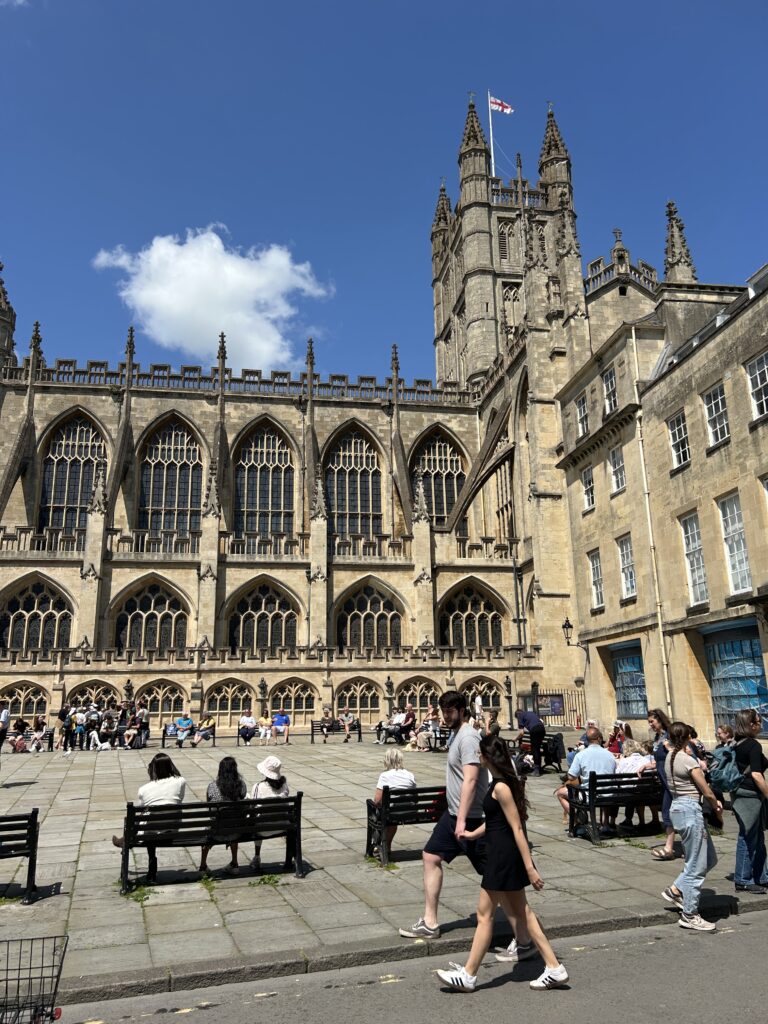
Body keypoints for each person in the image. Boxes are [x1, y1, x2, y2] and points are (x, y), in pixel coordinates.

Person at [436, 735, 568, 992]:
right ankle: (554, 967)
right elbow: (498, 821)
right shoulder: (499, 783)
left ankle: (469, 975)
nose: (477, 757)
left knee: (485, 915)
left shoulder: (501, 787)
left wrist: (530, 867)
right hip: (502, 853)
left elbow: (517, 828)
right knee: (524, 914)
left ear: (488, 756)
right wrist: (473, 834)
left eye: (479, 753)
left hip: (502, 857)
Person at [399, 691, 489, 940]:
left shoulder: (469, 737)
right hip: (454, 814)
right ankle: (430, 922)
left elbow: (471, 778)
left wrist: (461, 820)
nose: (445, 716)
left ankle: (524, 935)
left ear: (462, 711)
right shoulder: (456, 734)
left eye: (450, 711)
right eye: (443, 711)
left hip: (472, 817)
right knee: (430, 856)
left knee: (497, 876)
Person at [661, 721, 721, 931]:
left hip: (677, 807)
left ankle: (676, 889)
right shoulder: (687, 761)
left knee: (709, 858)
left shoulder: (670, 756)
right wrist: (716, 806)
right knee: (695, 865)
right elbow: (706, 790)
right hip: (689, 809)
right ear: (687, 738)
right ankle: (690, 914)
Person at [111, 753, 186, 884]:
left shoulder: (144, 789)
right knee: (153, 821)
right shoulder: (181, 781)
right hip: (172, 830)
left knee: (144, 821)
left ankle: (126, 841)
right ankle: (127, 842)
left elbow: (144, 808)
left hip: (151, 833)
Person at [731, 709, 768, 894]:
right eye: (759, 721)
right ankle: (743, 879)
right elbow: (756, 774)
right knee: (747, 837)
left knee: (757, 837)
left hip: (740, 793)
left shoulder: (737, 743)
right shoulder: (753, 745)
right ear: (751, 724)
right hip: (749, 795)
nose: (761, 725)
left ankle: (762, 876)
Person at [555, 726, 616, 827]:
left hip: (589, 796)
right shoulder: (610, 755)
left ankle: (579, 820)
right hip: (608, 794)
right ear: (599, 739)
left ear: (587, 740)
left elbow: (571, 777)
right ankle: (606, 824)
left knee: (560, 793)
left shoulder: (581, 755)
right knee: (604, 787)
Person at [199, 756, 247, 875]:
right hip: (236, 831)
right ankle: (234, 864)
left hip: (217, 831)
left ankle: (203, 866)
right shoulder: (241, 785)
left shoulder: (212, 786)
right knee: (233, 820)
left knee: (210, 827)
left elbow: (210, 808)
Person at [645, 707, 676, 861]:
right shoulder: (658, 737)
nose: (651, 725)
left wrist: (670, 750)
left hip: (673, 780)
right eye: (649, 722)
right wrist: (646, 765)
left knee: (670, 812)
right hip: (664, 781)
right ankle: (669, 847)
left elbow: (679, 754)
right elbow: (659, 760)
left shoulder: (670, 735)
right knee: (667, 811)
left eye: (652, 721)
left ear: (660, 719)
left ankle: (669, 848)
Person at [372, 748, 416, 852]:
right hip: (410, 811)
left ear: (386, 760)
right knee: (391, 815)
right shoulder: (409, 775)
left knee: (379, 814)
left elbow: (377, 800)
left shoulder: (384, 776)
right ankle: (386, 846)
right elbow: (415, 797)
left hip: (392, 812)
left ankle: (381, 844)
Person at [250, 755, 290, 872]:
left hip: (263, 829)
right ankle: (290, 859)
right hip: (283, 826)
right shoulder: (284, 786)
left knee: (257, 819)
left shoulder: (258, 786)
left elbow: (253, 808)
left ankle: (257, 857)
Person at [514, 708, 546, 776]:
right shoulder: (530, 713)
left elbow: (521, 733)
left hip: (535, 730)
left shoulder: (520, 715)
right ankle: (538, 768)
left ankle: (536, 770)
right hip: (542, 729)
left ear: (517, 715)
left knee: (535, 750)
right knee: (537, 749)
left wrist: (516, 738)